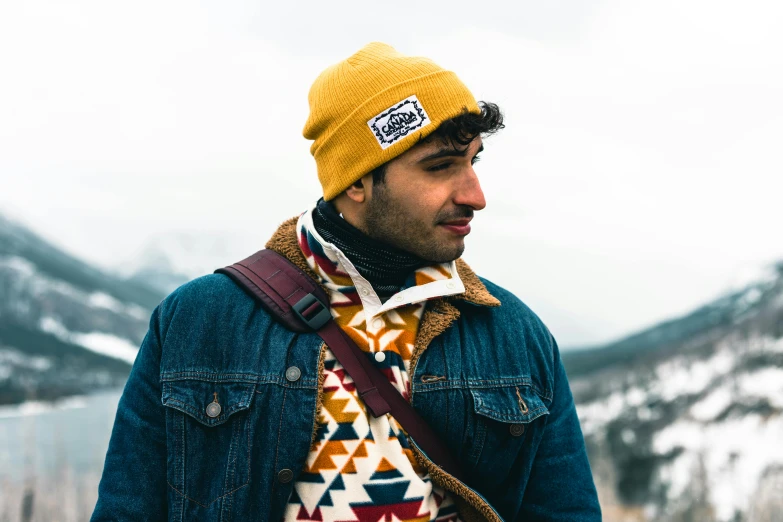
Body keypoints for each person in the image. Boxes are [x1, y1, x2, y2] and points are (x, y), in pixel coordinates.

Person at [92, 42, 601, 522]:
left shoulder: (514, 334)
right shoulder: (198, 321)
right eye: (441, 166)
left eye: (472, 162)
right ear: (355, 180)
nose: (475, 194)